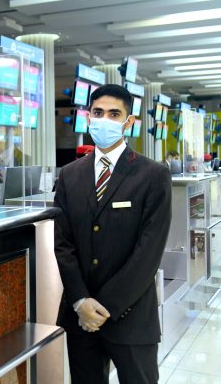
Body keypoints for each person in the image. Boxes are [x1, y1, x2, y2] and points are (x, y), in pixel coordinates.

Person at [53, 84, 171, 384]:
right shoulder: (69, 175)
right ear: (88, 117)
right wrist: (81, 302)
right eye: (98, 112)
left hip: (130, 316)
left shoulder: (152, 175)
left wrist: (106, 307)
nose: (104, 119)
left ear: (128, 122)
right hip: (81, 316)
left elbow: (149, 250)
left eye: (114, 113)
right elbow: (63, 244)